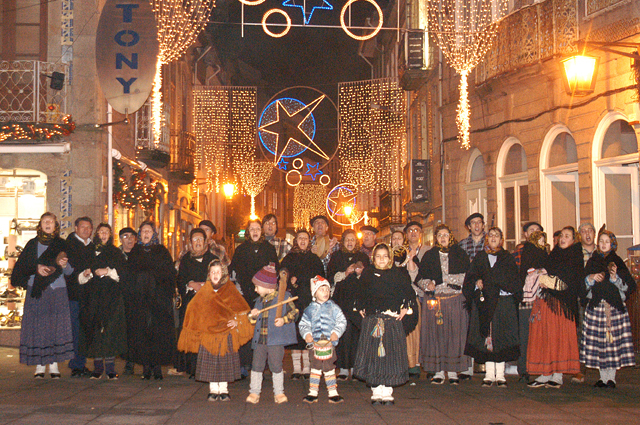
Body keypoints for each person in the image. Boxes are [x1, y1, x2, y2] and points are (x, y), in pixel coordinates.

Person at [178, 259, 254, 401]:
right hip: (209, 334)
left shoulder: (230, 289)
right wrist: (197, 325)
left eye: (218, 272)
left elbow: (244, 310)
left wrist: (237, 321)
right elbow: (193, 308)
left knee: (225, 363)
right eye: (212, 272)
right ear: (209, 274)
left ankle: (223, 389)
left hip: (226, 334)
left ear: (223, 273)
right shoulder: (204, 290)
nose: (215, 275)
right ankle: (213, 389)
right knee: (211, 363)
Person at [353, 243, 418, 405]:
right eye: (378, 256)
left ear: (390, 258)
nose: (382, 259)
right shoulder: (367, 274)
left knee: (390, 356)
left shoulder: (398, 274)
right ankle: (376, 390)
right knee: (374, 356)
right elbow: (360, 293)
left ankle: (388, 390)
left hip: (391, 322)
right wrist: (360, 306)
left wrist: (406, 307)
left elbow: (409, 293)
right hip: (373, 321)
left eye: (385, 256)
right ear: (373, 258)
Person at [12, 212, 74, 378]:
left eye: (51, 222)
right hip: (37, 289)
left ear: (55, 226)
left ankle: (54, 365)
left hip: (57, 290)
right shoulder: (32, 244)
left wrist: (65, 264)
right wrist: (36, 268)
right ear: (40, 225)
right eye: (45, 221)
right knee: (39, 327)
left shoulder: (62, 244)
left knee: (55, 327)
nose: (48, 224)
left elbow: (70, 271)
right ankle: (40, 365)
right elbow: (22, 267)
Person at [463, 227, 521, 388]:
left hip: (503, 303)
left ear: (501, 240)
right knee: (486, 335)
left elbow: (514, 280)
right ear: (487, 239)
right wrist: (476, 282)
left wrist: (498, 283)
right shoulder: (480, 257)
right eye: (491, 235)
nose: (494, 238)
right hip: (485, 303)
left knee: (501, 336)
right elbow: (471, 276)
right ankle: (489, 374)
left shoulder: (507, 258)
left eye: (497, 236)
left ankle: (500, 375)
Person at [527, 226, 584, 389]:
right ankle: (545, 373)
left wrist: (548, 281)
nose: (563, 238)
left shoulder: (575, 256)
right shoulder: (553, 255)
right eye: (561, 236)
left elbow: (570, 281)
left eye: (567, 236)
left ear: (574, 240)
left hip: (563, 305)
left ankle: (557, 375)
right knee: (545, 336)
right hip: (546, 302)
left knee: (558, 338)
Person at [582, 225, 636, 388]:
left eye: (607, 241)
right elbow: (582, 284)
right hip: (597, 306)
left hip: (613, 309)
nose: (604, 244)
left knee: (612, 343)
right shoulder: (593, 261)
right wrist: (591, 278)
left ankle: (611, 377)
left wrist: (615, 279)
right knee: (599, 342)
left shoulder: (618, 262)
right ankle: (601, 376)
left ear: (612, 244)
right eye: (601, 241)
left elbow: (630, 286)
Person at [417, 224, 471, 385]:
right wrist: (428, 284)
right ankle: (439, 371)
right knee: (437, 336)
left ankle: (453, 372)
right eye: (440, 235)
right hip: (436, 301)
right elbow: (420, 278)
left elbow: (467, 277)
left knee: (455, 335)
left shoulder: (460, 254)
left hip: (455, 299)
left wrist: (445, 279)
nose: (443, 238)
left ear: (451, 236)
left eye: (445, 235)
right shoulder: (429, 255)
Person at [126, 221, 177, 380]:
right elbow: (130, 275)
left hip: (158, 302)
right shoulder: (135, 252)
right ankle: (146, 367)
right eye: (143, 231)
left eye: (149, 231)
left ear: (153, 234)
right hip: (141, 302)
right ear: (139, 234)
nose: (146, 234)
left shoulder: (161, 251)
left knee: (158, 334)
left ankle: (157, 368)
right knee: (142, 334)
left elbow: (169, 273)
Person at [78, 223, 127, 380]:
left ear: (110, 234)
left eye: (106, 232)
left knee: (110, 332)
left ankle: (111, 369)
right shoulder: (90, 252)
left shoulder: (115, 252)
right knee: (95, 333)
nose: (104, 235)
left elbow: (122, 275)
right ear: (97, 234)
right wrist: (87, 274)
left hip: (112, 299)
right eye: (101, 232)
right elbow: (81, 277)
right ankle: (98, 368)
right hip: (94, 298)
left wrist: (108, 271)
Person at [246, 264, 299, 404]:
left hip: (275, 340)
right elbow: (251, 321)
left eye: (257, 286)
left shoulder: (284, 297)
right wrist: (252, 315)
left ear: (268, 286)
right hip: (260, 340)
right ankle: (254, 392)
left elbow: (295, 312)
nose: (255, 289)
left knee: (276, 366)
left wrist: (284, 319)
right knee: (256, 366)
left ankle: (279, 392)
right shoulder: (258, 301)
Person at [280, 229, 325, 380]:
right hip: (293, 301)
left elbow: (321, 279)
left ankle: (306, 367)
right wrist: (289, 279)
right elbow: (281, 274)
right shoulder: (289, 258)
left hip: (309, 300)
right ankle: (296, 368)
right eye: (300, 238)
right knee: (294, 333)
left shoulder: (315, 259)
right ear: (296, 241)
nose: (303, 241)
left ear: (309, 241)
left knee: (307, 332)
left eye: (305, 238)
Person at [174, 228, 218, 378]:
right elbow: (180, 279)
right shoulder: (185, 260)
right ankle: (192, 367)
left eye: (201, 239)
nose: (198, 242)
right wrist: (191, 284)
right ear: (190, 242)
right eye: (195, 239)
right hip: (191, 302)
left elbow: (218, 278)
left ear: (206, 242)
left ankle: (207, 366)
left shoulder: (212, 259)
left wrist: (205, 285)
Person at [327, 228, 369, 380]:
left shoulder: (362, 256)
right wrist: (346, 273)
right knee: (343, 333)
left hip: (359, 300)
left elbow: (369, 277)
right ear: (343, 242)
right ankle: (344, 368)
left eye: (353, 240)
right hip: (342, 300)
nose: (350, 242)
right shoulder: (336, 256)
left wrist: (360, 273)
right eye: (347, 240)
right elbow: (331, 277)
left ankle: (357, 368)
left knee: (358, 334)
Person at [299, 276, 347, 404]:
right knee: (315, 367)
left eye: (327, 289)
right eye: (321, 289)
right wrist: (307, 334)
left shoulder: (334, 307)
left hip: (329, 343)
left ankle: (333, 392)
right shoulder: (309, 309)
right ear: (314, 293)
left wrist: (336, 332)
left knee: (329, 367)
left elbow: (342, 320)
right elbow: (303, 324)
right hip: (314, 344)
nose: (325, 292)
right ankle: (313, 392)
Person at [515, 229, 549, 382]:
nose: (544, 243)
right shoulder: (537, 253)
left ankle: (526, 368)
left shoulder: (527, 252)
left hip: (527, 300)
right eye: (541, 240)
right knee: (530, 334)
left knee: (526, 335)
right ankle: (532, 367)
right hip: (534, 299)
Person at [65, 216, 95, 377]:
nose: (86, 230)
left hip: (89, 296)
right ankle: (76, 364)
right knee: (76, 330)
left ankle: (80, 362)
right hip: (74, 295)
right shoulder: (69, 246)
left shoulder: (92, 246)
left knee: (85, 330)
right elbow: (66, 271)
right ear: (76, 228)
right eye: (82, 227)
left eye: (89, 227)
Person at [405, 221, 430, 378]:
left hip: (425, 295)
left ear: (421, 234)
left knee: (427, 330)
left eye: (416, 230)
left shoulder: (428, 251)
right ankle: (412, 363)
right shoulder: (402, 251)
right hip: (409, 296)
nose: (413, 233)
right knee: (411, 332)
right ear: (407, 235)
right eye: (410, 230)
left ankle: (428, 363)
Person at [573, 223, 597, 384]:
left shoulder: (600, 251)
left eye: (590, 231)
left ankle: (604, 369)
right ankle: (580, 369)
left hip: (599, 297)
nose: (587, 234)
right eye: (584, 231)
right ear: (580, 234)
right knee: (581, 332)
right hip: (581, 297)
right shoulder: (575, 252)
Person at [118, 227, 138, 375]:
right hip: (120, 297)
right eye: (126, 236)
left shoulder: (139, 255)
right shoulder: (116, 255)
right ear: (120, 239)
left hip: (136, 298)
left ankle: (132, 361)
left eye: (132, 236)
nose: (129, 239)